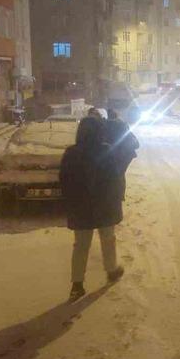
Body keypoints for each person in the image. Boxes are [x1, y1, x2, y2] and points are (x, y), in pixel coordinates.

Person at [59, 117, 125, 301]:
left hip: (80, 207)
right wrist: (116, 199)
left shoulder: (71, 153)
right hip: (104, 206)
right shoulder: (107, 150)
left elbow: (64, 180)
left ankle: (77, 284)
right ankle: (111, 270)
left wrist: (70, 201)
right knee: (108, 239)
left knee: (81, 245)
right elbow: (116, 178)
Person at [104, 108, 140, 200]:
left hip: (121, 153)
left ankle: (116, 196)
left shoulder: (106, 125)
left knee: (117, 173)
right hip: (127, 153)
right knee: (120, 173)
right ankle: (120, 196)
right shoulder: (122, 124)